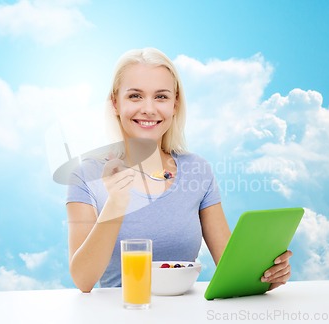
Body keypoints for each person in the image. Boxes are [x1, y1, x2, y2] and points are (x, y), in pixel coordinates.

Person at [66, 48, 293, 293]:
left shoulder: (197, 170)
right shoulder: (86, 175)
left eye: (161, 97)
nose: (149, 109)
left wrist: (267, 276)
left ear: (175, 104)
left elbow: (232, 268)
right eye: (135, 96)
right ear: (115, 103)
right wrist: (116, 203)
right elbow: (83, 280)